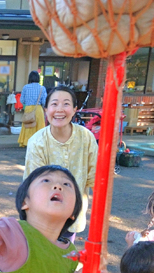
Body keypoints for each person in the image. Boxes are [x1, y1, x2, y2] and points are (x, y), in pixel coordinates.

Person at [24, 86, 98, 241]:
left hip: (72, 214)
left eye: (66, 104)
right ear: (45, 110)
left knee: (65, 258)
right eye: (54, 104)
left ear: (74, 109)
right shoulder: (37, 142)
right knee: (43, 259)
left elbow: (95, 176)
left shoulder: (86, 137)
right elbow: (34, 184)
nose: (59, 109)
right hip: (44, 218)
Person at [18, 70, 47, 147]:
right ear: (38, 78)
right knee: (39, 127)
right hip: (38, 109)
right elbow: (44, 101)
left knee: (28, 125)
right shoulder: (42, 88)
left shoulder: (25, 87)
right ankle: (38, 143)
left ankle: (27, 142)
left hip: (28, 109)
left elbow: (22, 100)